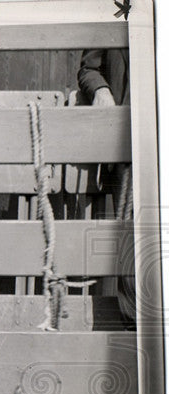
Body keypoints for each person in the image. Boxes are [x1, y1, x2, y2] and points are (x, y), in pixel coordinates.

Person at [78, 49, 134, 324]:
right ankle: (137, 354)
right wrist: (101, 90)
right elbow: (89, 69)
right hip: (132, 152)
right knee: (136, 262)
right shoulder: (115, 6)